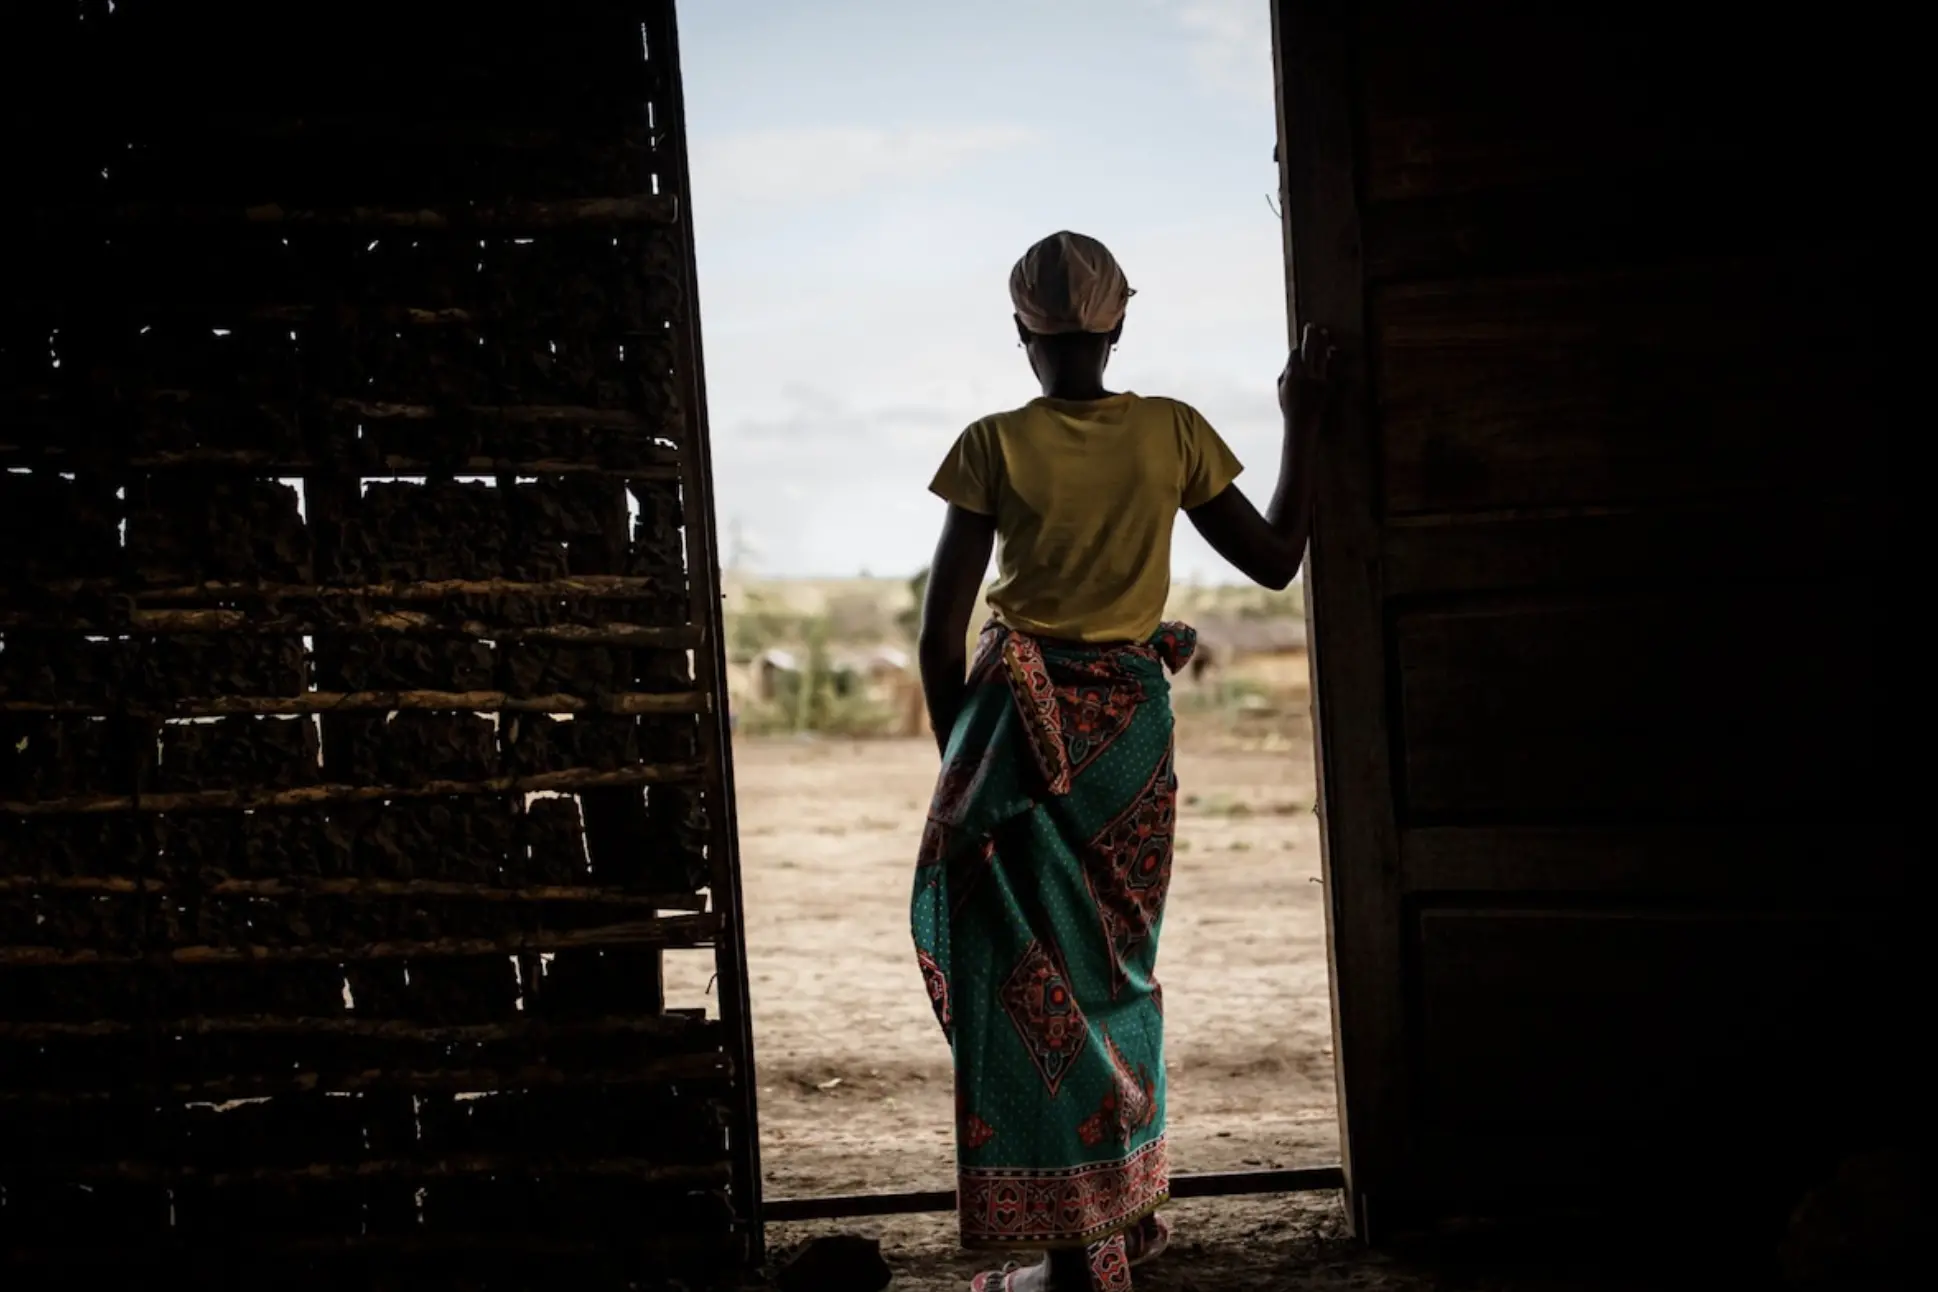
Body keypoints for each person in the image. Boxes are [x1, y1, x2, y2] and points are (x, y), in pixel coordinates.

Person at [910, 229, 1337, 1291]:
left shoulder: (991, 444)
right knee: (1113, 975)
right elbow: (1280, 558)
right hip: (1132, 746)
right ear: (1118, 325)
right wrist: (1305, 422)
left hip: (1013, 732)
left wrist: (967, 767)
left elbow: (936, 638)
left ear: (1023, 332)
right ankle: (1114, 1223)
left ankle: (1073, 1252)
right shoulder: (1174, 432)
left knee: (1020, 981)